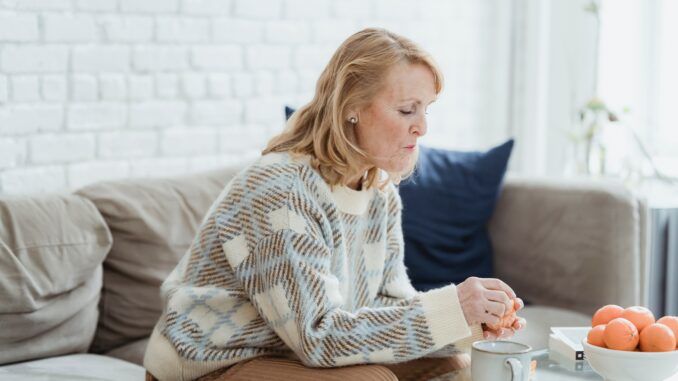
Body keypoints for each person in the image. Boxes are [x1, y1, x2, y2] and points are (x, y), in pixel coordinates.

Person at [143, 28, 526, 381]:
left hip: (290, 351)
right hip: (210, 360)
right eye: (408, 109)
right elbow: (318, 337)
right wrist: (452, 307)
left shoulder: (378, 192)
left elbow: (384, 304)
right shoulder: (282, 191)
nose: (422, 127)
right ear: (351, 107)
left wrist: (469, 322)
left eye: (427, 109)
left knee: (452, 364)